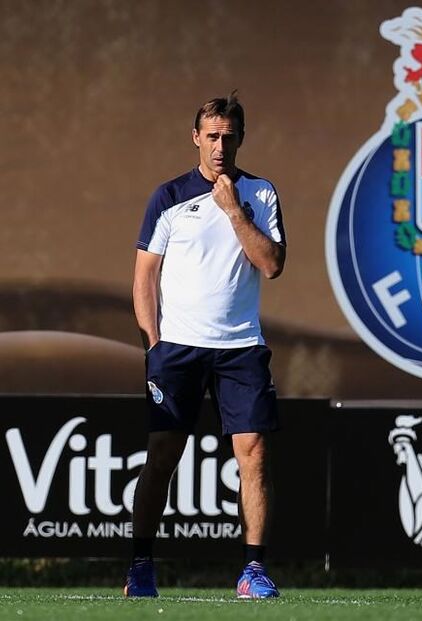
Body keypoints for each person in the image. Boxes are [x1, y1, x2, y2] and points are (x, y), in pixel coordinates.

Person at [125, 92, 286, 599]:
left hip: (241, 348)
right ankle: (141, 566)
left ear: (241, 138)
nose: (220, 146)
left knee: (254, 455)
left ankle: (253, 571)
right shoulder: (168, 196)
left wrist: (234, 210)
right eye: (211, 136)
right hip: (178, 350)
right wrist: (154, 344)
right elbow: (144, 278)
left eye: (228, 136)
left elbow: (272, 264)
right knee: (163, 455)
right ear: (196, 137)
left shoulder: (260, 195)